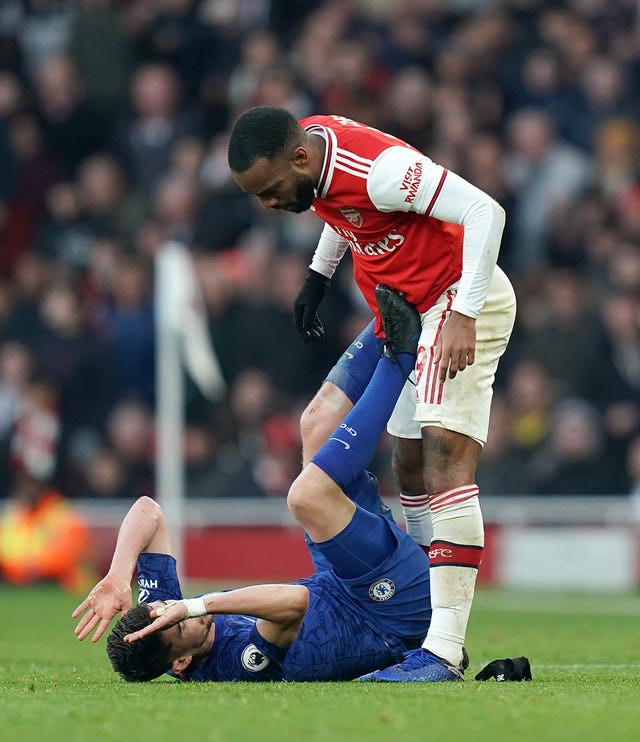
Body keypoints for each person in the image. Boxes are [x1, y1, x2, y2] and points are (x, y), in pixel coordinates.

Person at [227, 106, 517, 681]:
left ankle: (443, 651)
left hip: (457, 302)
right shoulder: (314, 147)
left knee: (443, 461)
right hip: (410, 310)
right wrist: (318, 275)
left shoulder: (381, 170)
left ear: (299, 159)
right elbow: (346, 213)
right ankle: (421, 622)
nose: (266, 204)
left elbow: (487, 210)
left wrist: (462, 313)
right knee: (407, 466)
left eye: (270, 190)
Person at [72, 287, 450, 682]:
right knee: (306, 496)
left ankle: (396, 312)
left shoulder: (162, 617)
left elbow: (148, 511)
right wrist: (197, 607)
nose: (176, 609)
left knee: (316, 424)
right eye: (179, 623)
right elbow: (294, 602)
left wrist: (119, 576)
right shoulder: (237, 663)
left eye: (170, 609)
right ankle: (404, 352)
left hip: (341, 581)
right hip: (388, 613)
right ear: (180, 663)